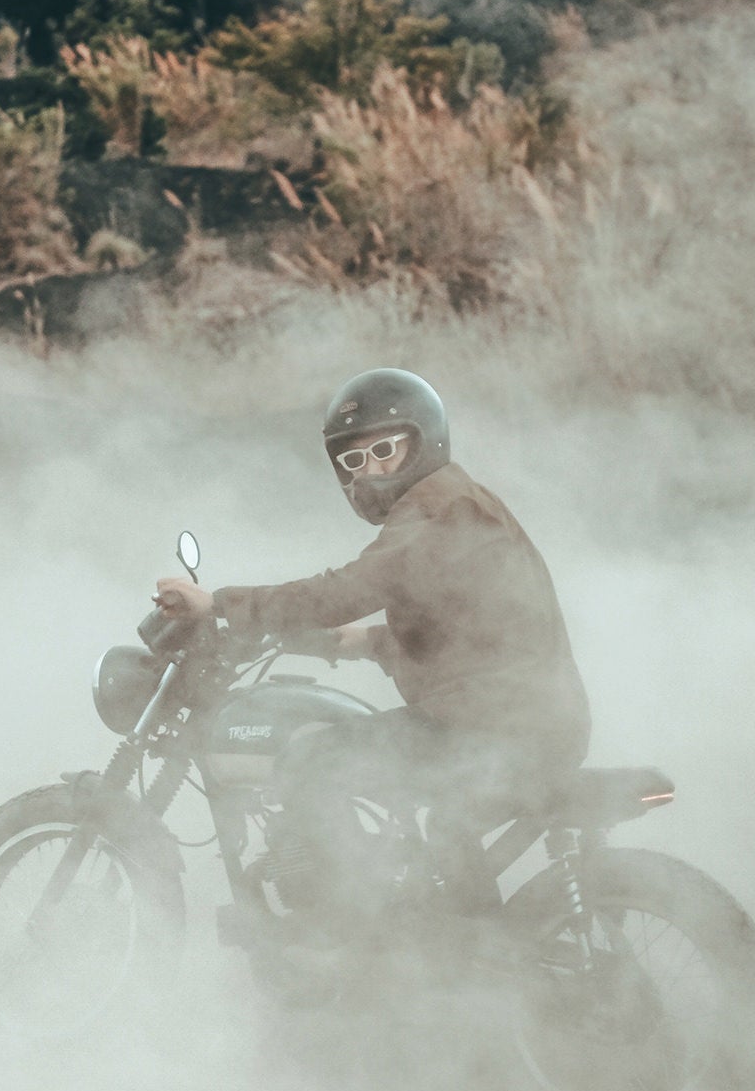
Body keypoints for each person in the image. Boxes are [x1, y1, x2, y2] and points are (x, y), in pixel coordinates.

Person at [153, 368, 590, 917]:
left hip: (494, 725)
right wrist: (364, 643)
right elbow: (466, 628)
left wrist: (218, 604)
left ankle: (345, 926)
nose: (370, 470)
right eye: (353, 461)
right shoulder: (458, 502)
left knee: (315, 757)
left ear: (423, 440)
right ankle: (465, 954)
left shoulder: (437, 508)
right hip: (527, 718)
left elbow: (346, 589)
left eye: (385, 450)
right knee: (442, 821)